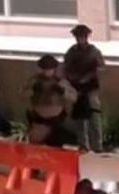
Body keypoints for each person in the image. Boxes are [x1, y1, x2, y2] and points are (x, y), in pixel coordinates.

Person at [63, 24, 106, 152]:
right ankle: (83, 145)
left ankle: (97, 146)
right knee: (79, 118)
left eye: (82, 36)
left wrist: (89, 76)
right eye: (78, 36)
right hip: (76, 88)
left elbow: (101, 67)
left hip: (91, 88)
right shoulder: (71, 52)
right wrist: (73, 79)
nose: (80, 39)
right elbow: (66, 68)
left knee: (94, 116)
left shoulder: (94, 51)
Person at [25, 55, 75, 147]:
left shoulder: (61, 82)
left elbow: (73, 98)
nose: (46, 72)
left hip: (56, 122)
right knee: (36, 149)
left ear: (54, 69)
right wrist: (33, 90)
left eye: (49, 69)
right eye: (44, 69)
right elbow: (22, 95)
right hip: (38, 122)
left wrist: (62, 91)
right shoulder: (34, 81)